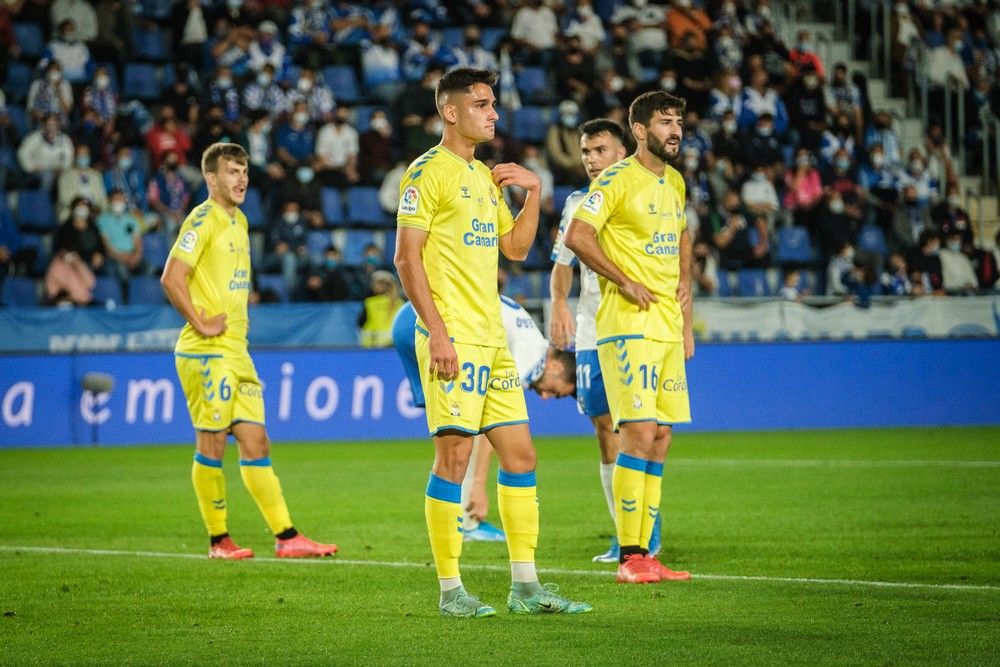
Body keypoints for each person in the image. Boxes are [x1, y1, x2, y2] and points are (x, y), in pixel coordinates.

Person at [393, 67, 590, 617]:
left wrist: (532, 194)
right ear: (450, 111)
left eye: (494, 104)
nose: (494, 113)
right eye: (482, 103)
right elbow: (406, 259)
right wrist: (436, 332)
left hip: (493, 339)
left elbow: (517, 249)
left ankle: (525, 588)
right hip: (452, 334)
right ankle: (450, 591)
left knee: (521, 454)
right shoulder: (426, 173)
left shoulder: (483, 177)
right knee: (453, 457)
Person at [160, 142, 337, 561]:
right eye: (231, 172)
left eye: (244, 171)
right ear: (211, 179)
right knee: (212, 445)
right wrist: (200, 322)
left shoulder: (238, 221)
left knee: (257, 442)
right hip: (206, 352)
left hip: (237, 352)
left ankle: (287, 536)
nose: (241, 179)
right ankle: (218, 541)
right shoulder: (202, 219)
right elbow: (171, 277)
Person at [565, 90, 694, 585]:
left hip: (664, 326)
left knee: (660, 437)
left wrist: (685, 287)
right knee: (636, 435)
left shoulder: (676, 182)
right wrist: (623, 280)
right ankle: (630, 555)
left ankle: (647, 554)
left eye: (678, 120)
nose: (674, 130)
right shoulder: (617, 178)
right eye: (664, 121)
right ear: (639, 131)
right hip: (627, 327)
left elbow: (682, 236)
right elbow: (579, 235)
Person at [549, 118, 656, 564]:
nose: (591, 159)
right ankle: (623, 534)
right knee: (602, 426)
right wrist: (558, 303)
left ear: (622, 151)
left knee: (641, 428)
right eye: (586, 151)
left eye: (600, 150)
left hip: (636, 326)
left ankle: (646, 532)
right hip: (593, 332)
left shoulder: (646, 192)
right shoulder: (577, 202)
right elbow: (563, 264)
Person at [392, 295, 577, 542]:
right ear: (557, 367)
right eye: (553, 391)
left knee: (453, 431)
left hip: (411, 318)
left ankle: (458, 522)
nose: (544, 396)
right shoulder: (530, 354)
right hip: (428, 324)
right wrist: (479, 485)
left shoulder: (529, 337)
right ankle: (465, 523)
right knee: (466, 429)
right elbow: (497, 421)